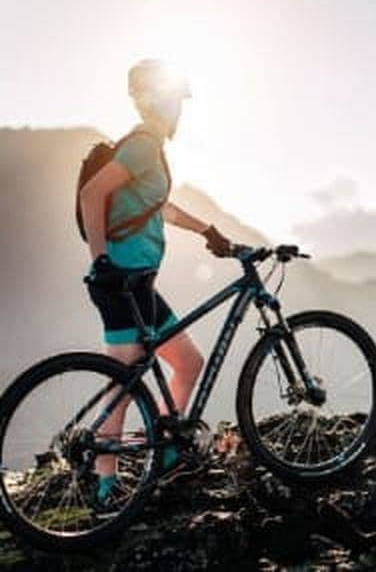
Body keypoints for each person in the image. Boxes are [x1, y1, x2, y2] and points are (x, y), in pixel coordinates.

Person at [80, 59, 233, 503]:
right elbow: (94, 194)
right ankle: (106, 482)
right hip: (121, 282)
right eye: (173, 101)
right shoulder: (144, 144)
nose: (178, 111)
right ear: (154, 100)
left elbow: (157, 207)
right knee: (123, 384)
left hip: (141, 284)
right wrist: (101, 260)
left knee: (187, 362)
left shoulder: (151, 150)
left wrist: (208, 232)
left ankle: (164, 452)